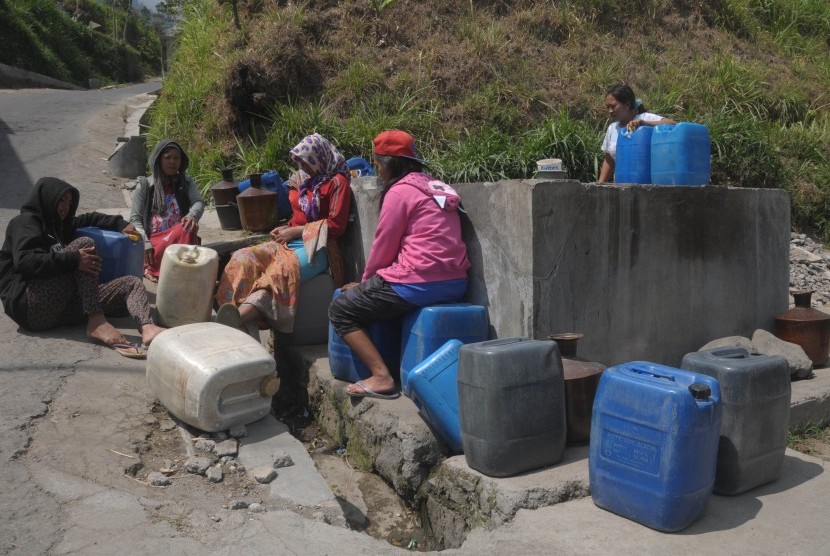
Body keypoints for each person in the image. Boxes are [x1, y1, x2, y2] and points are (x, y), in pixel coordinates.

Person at [328, 130, 471, 399]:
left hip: (420, 282)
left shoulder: (400, 192)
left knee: (341, 308)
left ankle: (381, 376)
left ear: (389, 163)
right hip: (456, 282)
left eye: (379, 164)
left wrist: (366, 283)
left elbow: (384, 245)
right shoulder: (433, 186)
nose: (378, 170)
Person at [0, 178, 167, 357]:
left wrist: (120, 224)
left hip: (60, 308)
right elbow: (26, 262)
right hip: (31, 306)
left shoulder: (60, 224)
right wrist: (73, 259)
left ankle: (147, 327)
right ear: (48, 198)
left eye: (69, 202)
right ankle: (96, 320)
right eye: (61, 200)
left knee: (131, 283)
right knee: (84, 245)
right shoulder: (26, 223)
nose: (66, 206)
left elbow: (90, 218)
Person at [215, 133, 352, 337]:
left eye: (306, 162)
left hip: (318, 248)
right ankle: (231, 311)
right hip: (290, 241)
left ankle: (238, 319)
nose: (302, 168)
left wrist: (296, 231)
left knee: (277, 275)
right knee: (242, 257)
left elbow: (337, 226)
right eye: (300, 163)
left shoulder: (337, 183)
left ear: (319, 158)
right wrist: (286, 228)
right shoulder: (307, 182)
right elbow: (298, 216)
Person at [130, 139, 204, 282]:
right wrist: (144, 243)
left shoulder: (186, 182)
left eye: (176, 158)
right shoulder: (144, 185)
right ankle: (152, 267)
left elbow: (198, 202)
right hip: (154, 240)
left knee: (187, 226)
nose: (172, 162)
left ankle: (175, 270)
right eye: (168, 157)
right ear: (158, 159)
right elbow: (135, 219)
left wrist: (192, 216)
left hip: (180, 235)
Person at [598, 83, 676, 183]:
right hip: (621, 186)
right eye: (607, 107)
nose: (610, 111)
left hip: (648, 186)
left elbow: (673, 124)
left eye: (613, 106)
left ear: (627, 105)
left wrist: (645, 124)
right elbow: (609, 160)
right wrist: (599, 184)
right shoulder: (612, 128)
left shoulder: (645, 118)